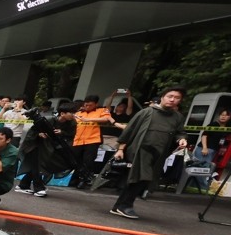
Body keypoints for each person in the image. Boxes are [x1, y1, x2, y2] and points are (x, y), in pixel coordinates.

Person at [110, 86, 189, 219]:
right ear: (163, 97)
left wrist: (182, 139)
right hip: (141, 150)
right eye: (170, 96)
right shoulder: (147, 112)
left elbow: (180, 132)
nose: (172, 100)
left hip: (159, 154)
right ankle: (125, 206)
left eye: (177, 98)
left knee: (142, 180)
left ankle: (120, 206)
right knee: (140, 178)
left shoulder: (178, 117)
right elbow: (129, 131)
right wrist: (120, 149)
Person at [15, 103, 77, 197]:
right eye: (71, 113)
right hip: (35, 145)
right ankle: (38, 188)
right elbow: (32, 131)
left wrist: (62, 132)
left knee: (38, 167)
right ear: (62, 113)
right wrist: (39, 134)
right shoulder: (48, 119)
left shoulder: (72, 123)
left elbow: (71, 135)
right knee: (37, 166)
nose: (73, 115)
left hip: (50, 148)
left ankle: (23, 185)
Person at [71, 95, 114, 188]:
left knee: (88, 161)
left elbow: (106, 119)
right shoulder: (79, 112)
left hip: (92, 140)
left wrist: (89, 119)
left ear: (96, 104)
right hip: (78, 140)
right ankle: (74, 178)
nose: (87, 107)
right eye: (86, 105)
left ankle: (83, 180)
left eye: (90, 105)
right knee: (75, 160)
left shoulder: (102, 111)